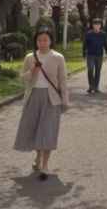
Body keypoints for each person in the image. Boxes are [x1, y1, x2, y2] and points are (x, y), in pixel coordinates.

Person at [14, 29, 69, 180]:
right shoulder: (30, 57)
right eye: (39, 40)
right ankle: (38, 157)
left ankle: (45, 165)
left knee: (47, 131)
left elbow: (63, 80)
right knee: (35, 129)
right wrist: (33, 70)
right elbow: (22, 78)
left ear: (51, 41)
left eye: (45, 40)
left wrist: (65, 100)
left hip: (51, 98)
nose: (42, 43)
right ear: (36, 41)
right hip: (33, 96)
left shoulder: (58, 57)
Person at [83, 18, 107, 94]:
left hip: (99, 55)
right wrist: (84, 54)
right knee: (90, 70)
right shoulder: (88, 34)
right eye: (95, 24)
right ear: (93, 25)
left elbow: (106, 45)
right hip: (90, 55)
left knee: (98, 71)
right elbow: (85, 44)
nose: (97, 26)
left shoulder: (103, 34)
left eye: (98, 24)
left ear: (100, 26)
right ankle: (91, 86)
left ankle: (96, 87)